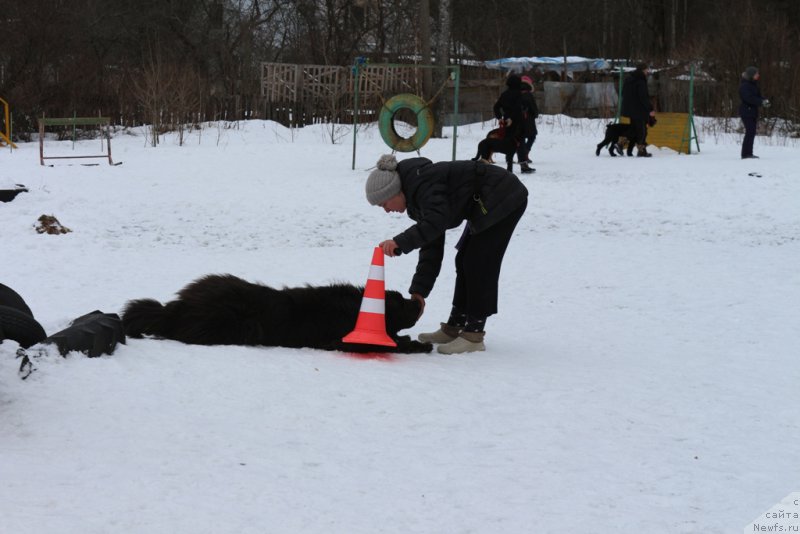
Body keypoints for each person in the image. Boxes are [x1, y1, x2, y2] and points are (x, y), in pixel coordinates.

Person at [365, 154, 528, 354]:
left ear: (394, 192)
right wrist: (419, 292)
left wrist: (400, 242)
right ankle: (454, 326)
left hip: (503, 195)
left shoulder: (422, 185)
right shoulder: (416, 198)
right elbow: (431, 244)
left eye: (384, 204)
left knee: (478, 262)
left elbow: (435, 223)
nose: (386, 211)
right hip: (484, 202)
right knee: (464, 260)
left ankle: (473, 335)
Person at [492, 74, 534, 174]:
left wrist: (500, 118)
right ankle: (523, 165)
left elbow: (496, 107)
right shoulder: (519, 94)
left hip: (507, 122)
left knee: (509, 143)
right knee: (520, 143)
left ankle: (509, 166)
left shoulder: (504, 94)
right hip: (518, 122)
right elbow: (518, 108)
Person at [621, 63, 656, 157]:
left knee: (633, 129)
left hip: (630, 109)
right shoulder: (641, 81)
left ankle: (619, 144)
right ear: (642, 70)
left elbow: (623, 93)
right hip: (639, 110)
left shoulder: (628, 79)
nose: (647, 72)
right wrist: (650, 109)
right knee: (642, 131)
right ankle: (641, 151)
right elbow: (643, 97)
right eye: (646, 70)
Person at [739, 66, 770, 159]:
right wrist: (760, 102)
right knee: (750, 131)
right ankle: (745, 154)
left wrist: (764, 101)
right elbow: (749, 98)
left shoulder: (753, 85)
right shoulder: (744, 85)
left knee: (751, 132)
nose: (758, 75)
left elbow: (758, 96)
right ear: (752, 75)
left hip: (752, 111)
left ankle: (749, 153)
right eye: (756, 74)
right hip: (746, 111)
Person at [519, 75, 539, 165]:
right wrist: (535, 114)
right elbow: (533, 108)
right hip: (528, 120)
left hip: (517, 119)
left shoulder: (516, 93)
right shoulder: (528, 94)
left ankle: (521, 155)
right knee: (532, 136)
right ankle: (525, 154)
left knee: (520, 138)